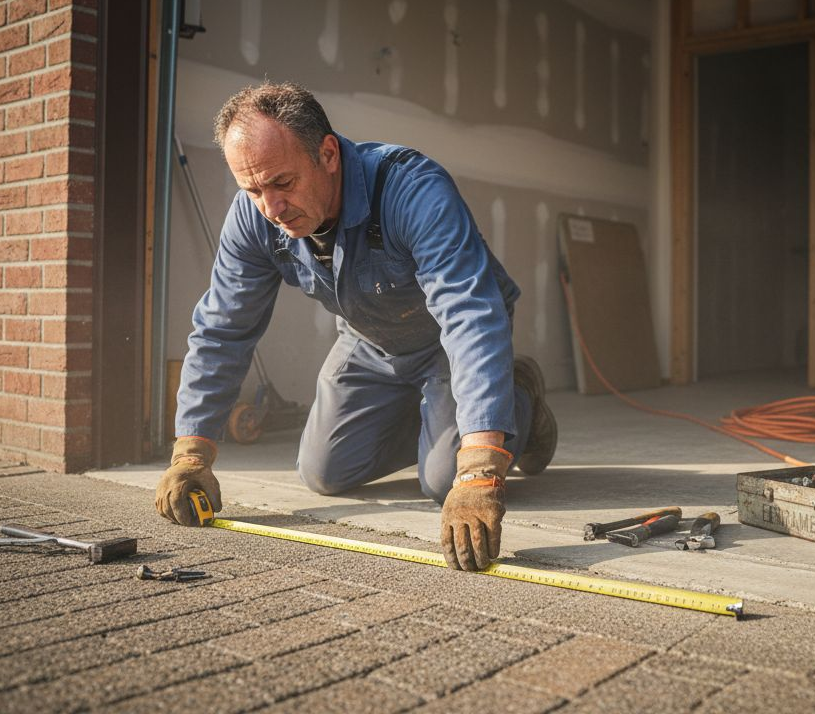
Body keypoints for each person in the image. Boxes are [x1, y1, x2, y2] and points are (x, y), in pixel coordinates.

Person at [154, 82, 556, 571]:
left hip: (447, 340)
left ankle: (517, 396)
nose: (271, 209)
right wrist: (192, 452)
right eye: (252, 190)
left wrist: (479, 470)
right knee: (323, 471)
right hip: (370, 339)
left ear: (327, 154)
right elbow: (223, 327)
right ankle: (443, 424)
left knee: (443, 478)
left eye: (282, 183)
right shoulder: (257, 215)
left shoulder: (412, 189)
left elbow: (469, 313)